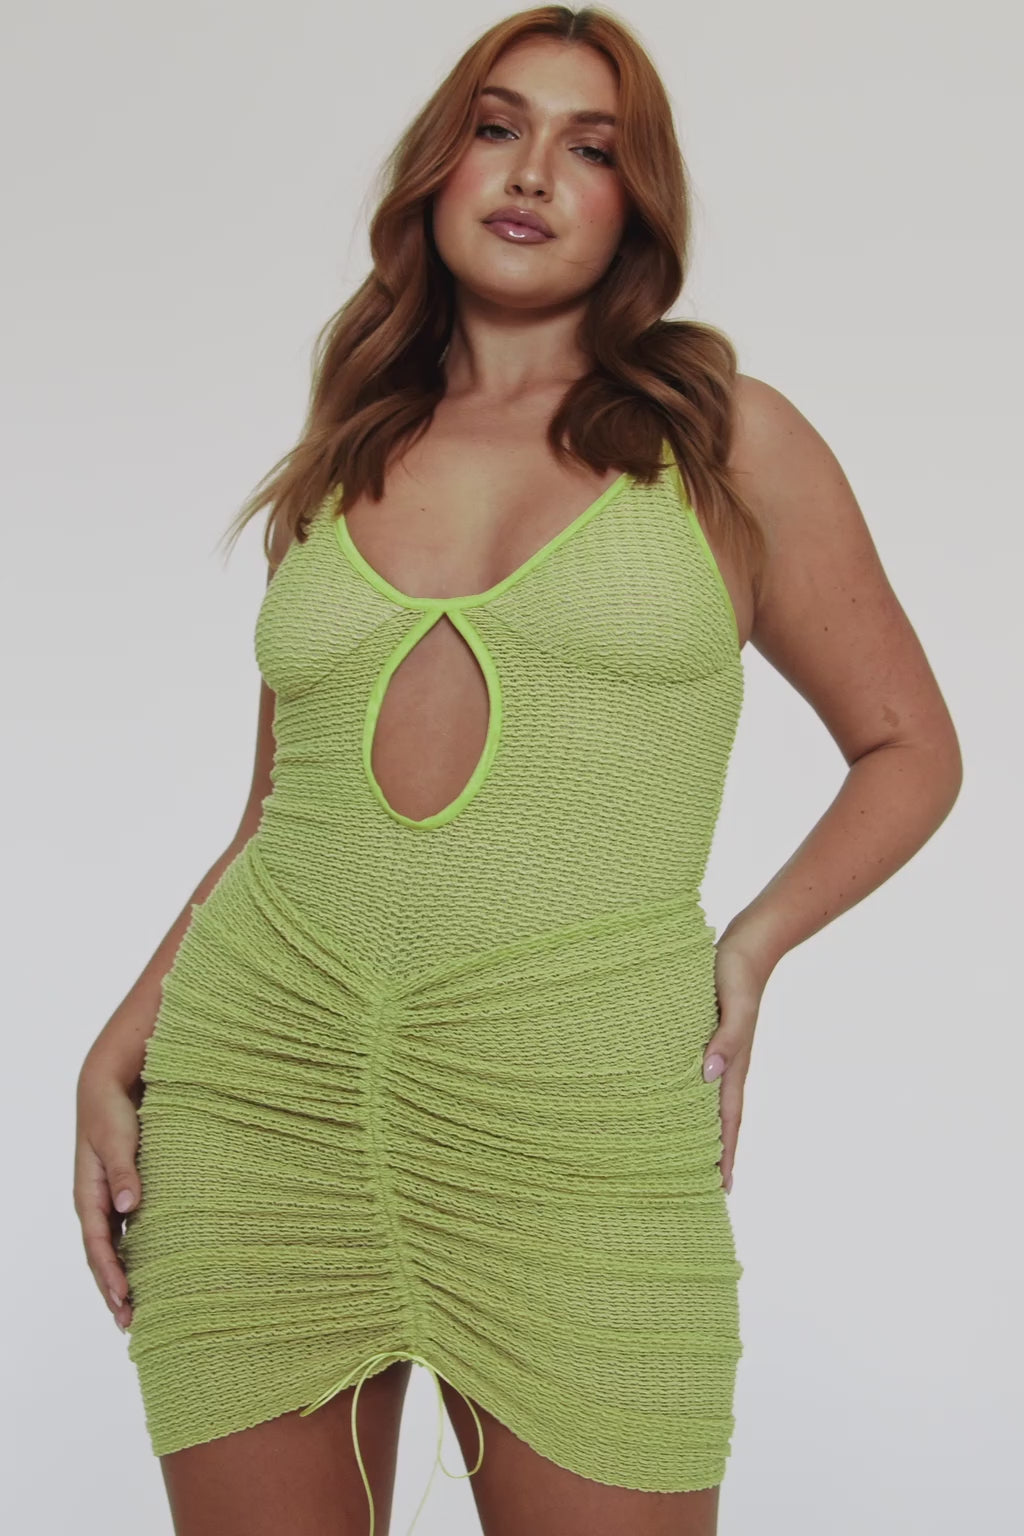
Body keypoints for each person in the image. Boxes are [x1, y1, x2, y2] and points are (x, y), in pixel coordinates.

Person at [73, 7, 962, 1535]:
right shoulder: (346, 459)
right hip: (262, 1094)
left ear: (637, 207)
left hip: (579, 1114)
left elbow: (910, 750)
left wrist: (750, 949)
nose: (533, 170)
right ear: (438, 168)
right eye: (497, 127)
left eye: (590, 147)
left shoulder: (727, 445)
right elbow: (276, 816)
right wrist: (121, 1039)